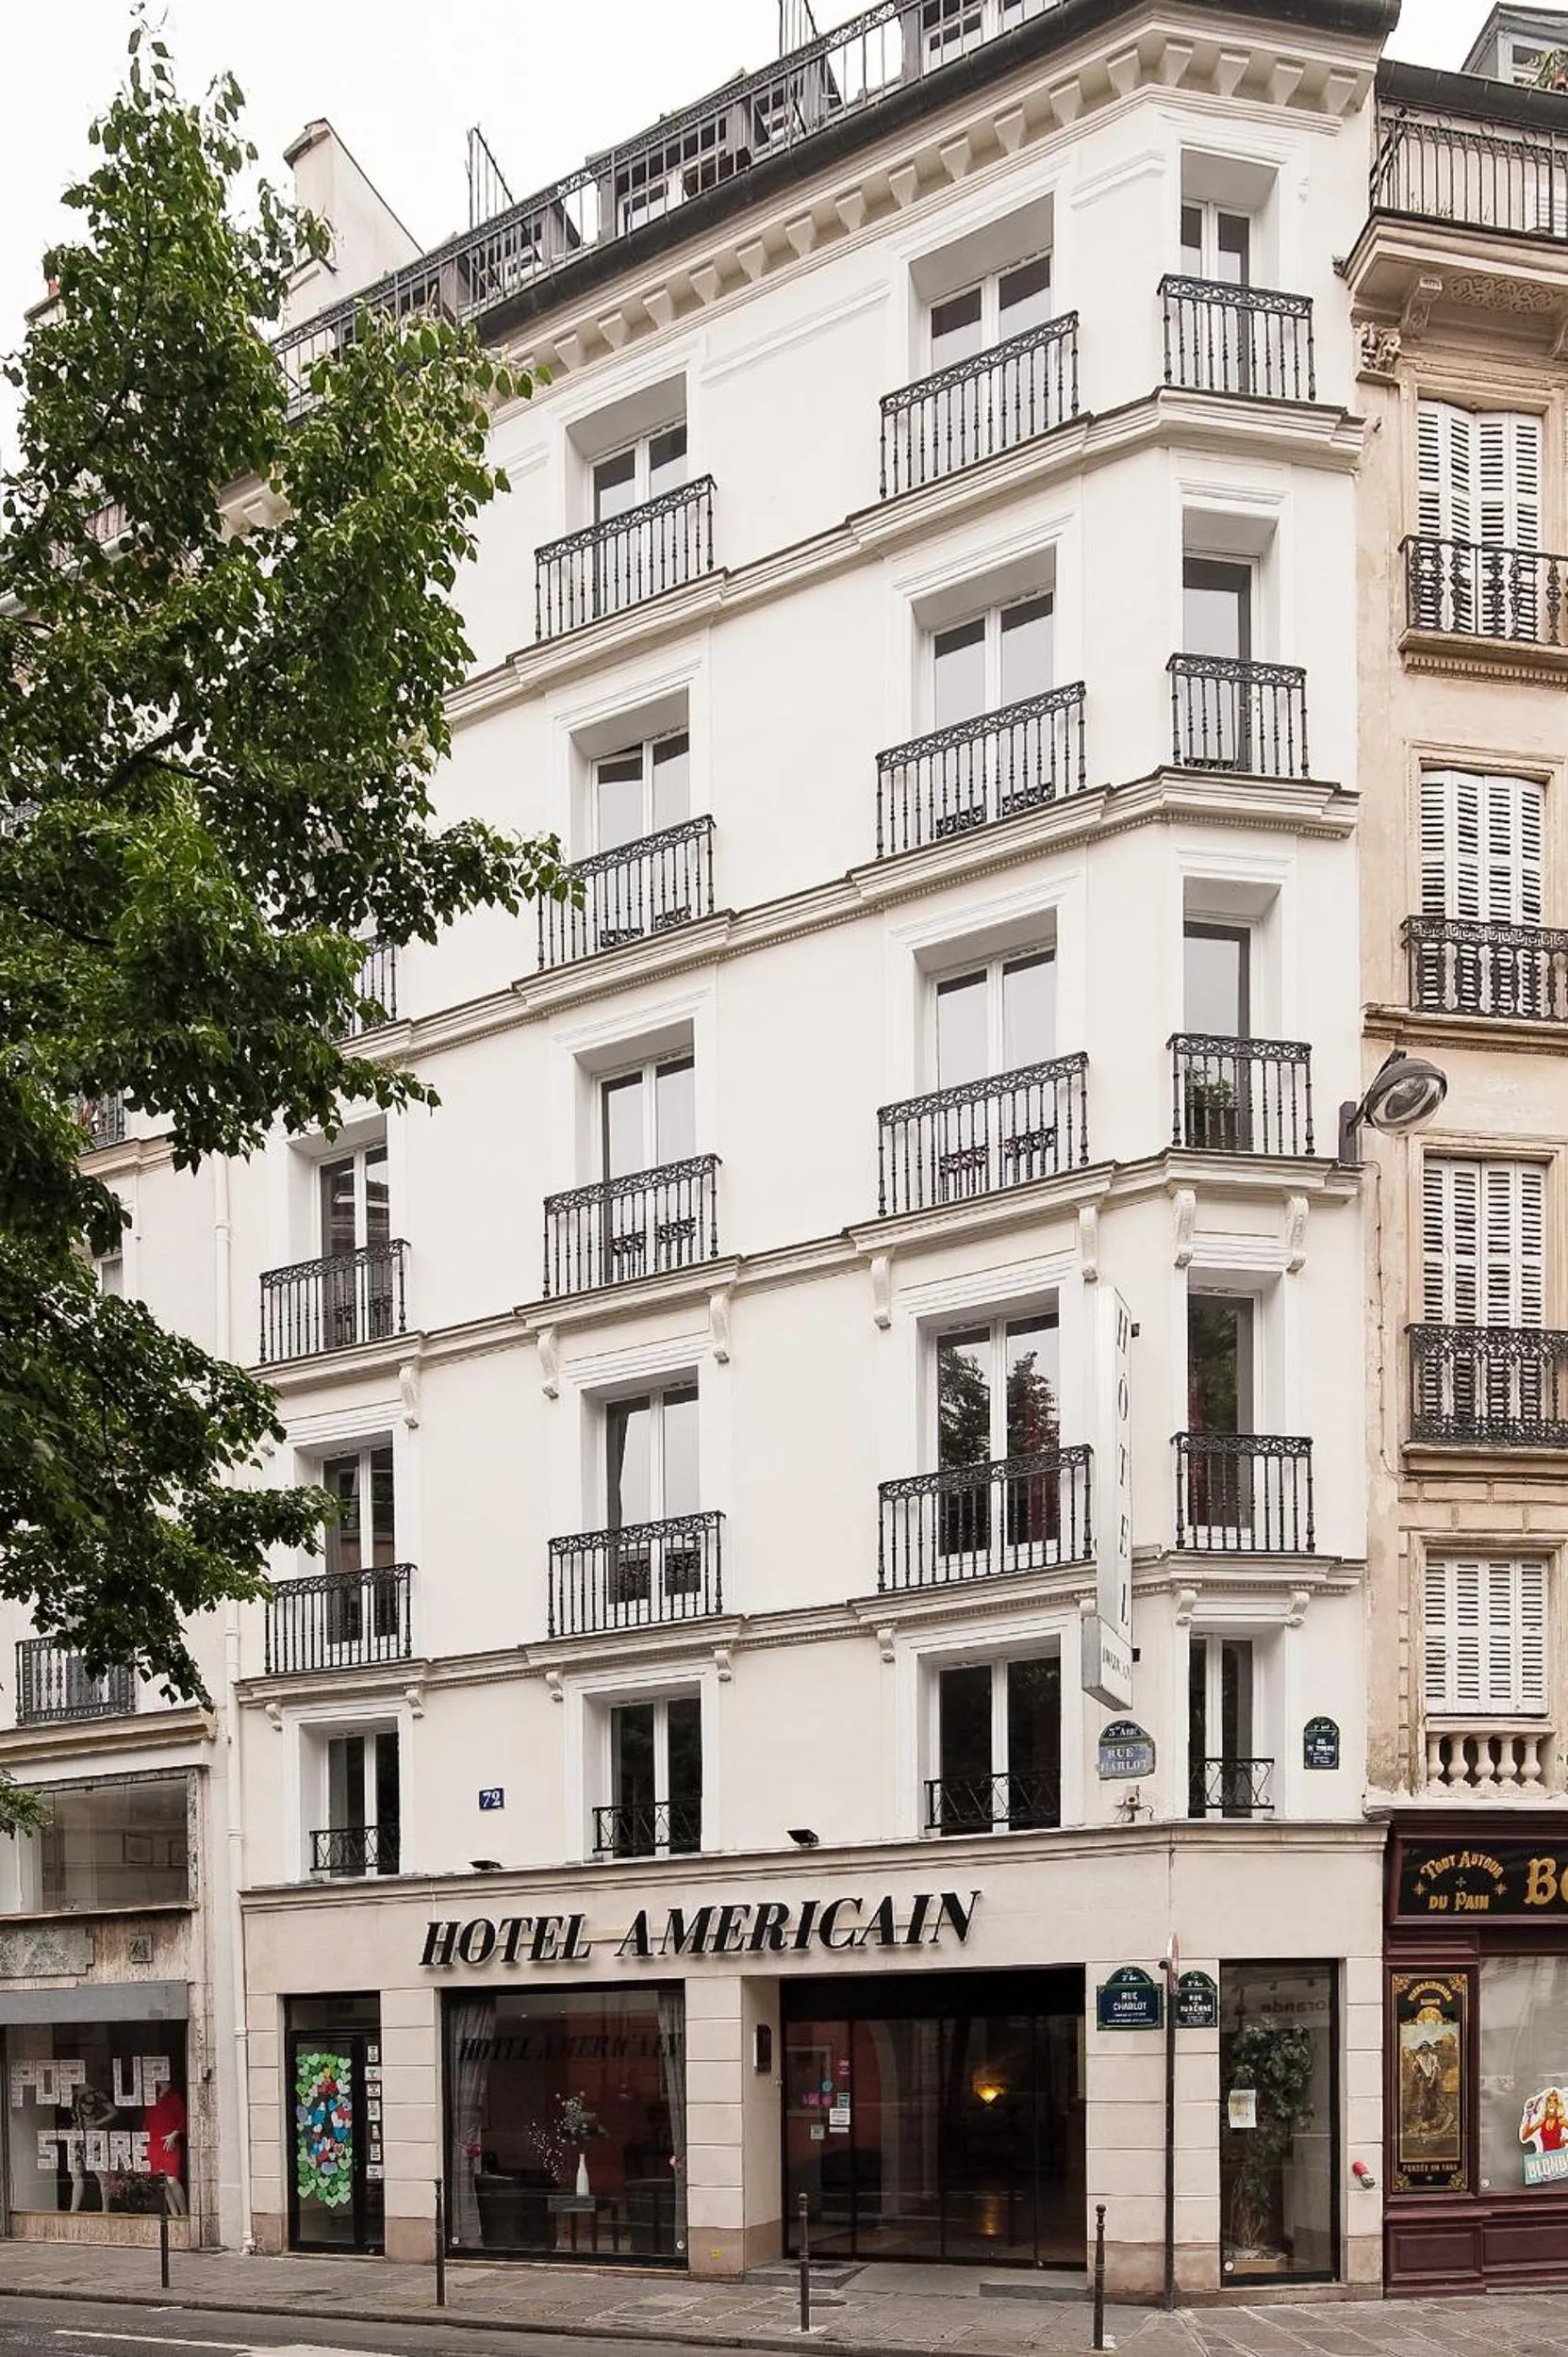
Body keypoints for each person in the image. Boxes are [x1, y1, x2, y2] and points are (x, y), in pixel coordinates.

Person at [143, 2073, 188, 2215]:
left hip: (169, 2143)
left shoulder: (174, 2097)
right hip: (155, 2141)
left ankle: (184, 2214)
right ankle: (174, 2214)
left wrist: (175, 2134)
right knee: (163, 2182)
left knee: (172, 2179)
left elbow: (183, 2118)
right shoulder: (153, 2098)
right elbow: (147, 2120)